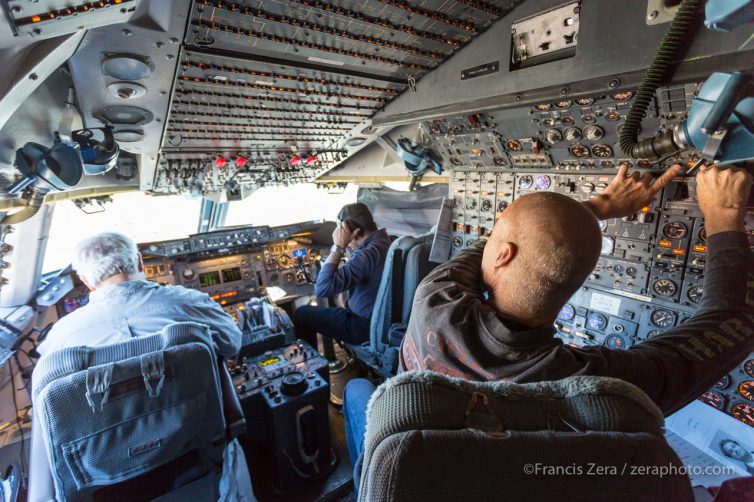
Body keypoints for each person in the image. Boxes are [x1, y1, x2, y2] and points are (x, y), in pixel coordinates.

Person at [343, 163, 754, 493]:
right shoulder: (602, 388)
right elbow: (731, 323)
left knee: (355, 391)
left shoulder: (434, 297)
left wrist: (597, 206)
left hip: (400, 466)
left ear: (502, 255)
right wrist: (724, 218)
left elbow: (496, 246)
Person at [35, 232, 254, 501]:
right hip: (199, 461)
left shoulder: (59, 339)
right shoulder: (189, 302)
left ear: (86, 281)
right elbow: (232, 343)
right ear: (139, 263)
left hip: (108, 485)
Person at [294, 203, 391, 349]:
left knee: (302, 314)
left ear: (355, 232)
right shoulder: (390, 241)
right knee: (339, 299)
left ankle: (313, 369)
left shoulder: (367, 255)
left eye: (342, 231)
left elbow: (322, 288)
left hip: (364, 326)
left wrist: (338, 247)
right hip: (387, 320)